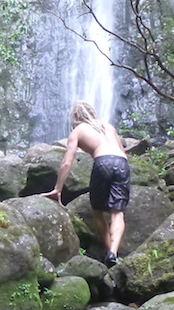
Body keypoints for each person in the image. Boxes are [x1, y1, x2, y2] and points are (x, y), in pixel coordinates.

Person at [41, 101, 130, 267]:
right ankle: (113, 253)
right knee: (118, 212)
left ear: (74, 116)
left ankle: (108, 250)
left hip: (103, 162)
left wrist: (58, 189)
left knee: (97, 212)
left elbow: (67, 162)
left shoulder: (78, 131)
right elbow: (123, 153)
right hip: (122, 163)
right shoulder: (109, 127)